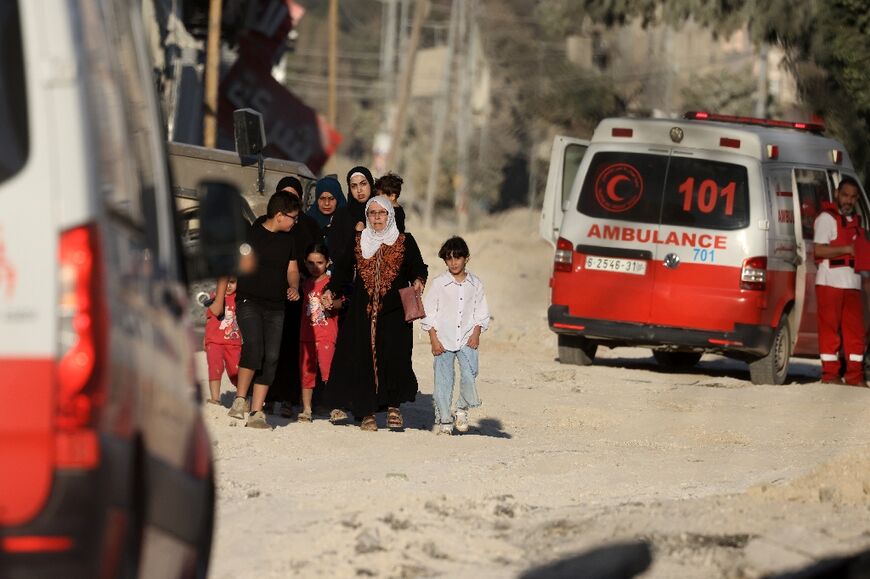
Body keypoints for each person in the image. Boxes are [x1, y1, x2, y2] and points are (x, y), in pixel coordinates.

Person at [321, 195, 428, 431]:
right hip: (363, 311)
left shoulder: (404, 241)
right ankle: (365, 411)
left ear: (390, 215)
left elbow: (418, 267)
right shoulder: (359, 240)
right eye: (372, 213)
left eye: (382, 213)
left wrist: (419, 280)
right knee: (363, 359)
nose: (377, 218)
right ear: (367, 216)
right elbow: (342, 270)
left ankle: (393, 408)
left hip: (395, 313)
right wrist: (331, 289)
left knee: (394, 357)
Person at [226, 190, 302, 429]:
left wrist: (293, 286)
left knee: (271, 357)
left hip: (276, 306)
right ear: (279, 215)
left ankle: (257, 411)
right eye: (293, 217)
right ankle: (240, 399)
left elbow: (292, 269)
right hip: (249, 301)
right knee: (254, 346)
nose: (295, 222)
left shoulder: (289, 241)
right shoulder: (252, 235)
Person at [421, 236, 491, 435]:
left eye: (457, 258)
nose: (453, 263)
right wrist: (433, 340)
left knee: (470, 374)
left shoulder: (475, 283)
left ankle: (461, 408)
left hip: (468, 336)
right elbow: (429, 313)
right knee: (443, 380)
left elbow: (481, 311)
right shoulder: (439, 284)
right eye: (449, 259)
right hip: (443, 338)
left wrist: (477, 333)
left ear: (466, 258)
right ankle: (444, 419)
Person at [268, 176, 323, 417]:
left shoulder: (309, 226)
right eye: (285, 194)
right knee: (269, 347)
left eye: (294, 196)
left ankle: (290, 398)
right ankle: (267, 396)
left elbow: (316, 256)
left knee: (292, 347)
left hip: (298, 296)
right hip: (269, 293)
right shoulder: (266, 223)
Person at [813, 176, 866, 386]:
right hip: (829, 282)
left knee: (855, 333)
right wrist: (846, 249)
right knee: (830, 332)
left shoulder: (857, 221)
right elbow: (818, 249)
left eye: (853, 197)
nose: (848, 201)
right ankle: (830, 375)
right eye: (845, 195)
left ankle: (855, 376)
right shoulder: (827, 218)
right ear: (836, 194)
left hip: (853, 283)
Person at [298, 242, 343, 422]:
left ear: (328, 262)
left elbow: (341, 302)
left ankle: (335, 407)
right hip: (306, 336)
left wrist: (332, 304)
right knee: (306, 374)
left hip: (326, 335)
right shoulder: (302, 284)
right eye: (310, 263)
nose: (315, 267)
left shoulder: (332, 283)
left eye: (320, 263)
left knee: (328, 372)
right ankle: (307, 409)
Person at [204, 277, 242, 405]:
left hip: (233, 342)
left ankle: (242, 396)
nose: (228, 286)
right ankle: (215, 398)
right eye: (226, 282)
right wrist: (206, 338)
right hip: (214, 340)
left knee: (235, 370)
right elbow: (209, 319)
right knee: (215, 368)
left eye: (232, 282)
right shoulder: (214, 298)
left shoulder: (240, 299)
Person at [329, 166, 375, 270]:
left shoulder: (382, 212)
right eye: (354, 186)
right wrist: (356, 234)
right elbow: (335, 252)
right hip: (347, 276)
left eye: (363, 184)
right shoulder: (342, 214)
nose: (359, 190)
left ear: (371, 184)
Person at [307, 176, 347, 244]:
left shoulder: (347, 222)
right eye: (322, 198)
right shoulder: (307, 221)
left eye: (331, 199)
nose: (327, 203)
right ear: (317, 199)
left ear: (338, 199)